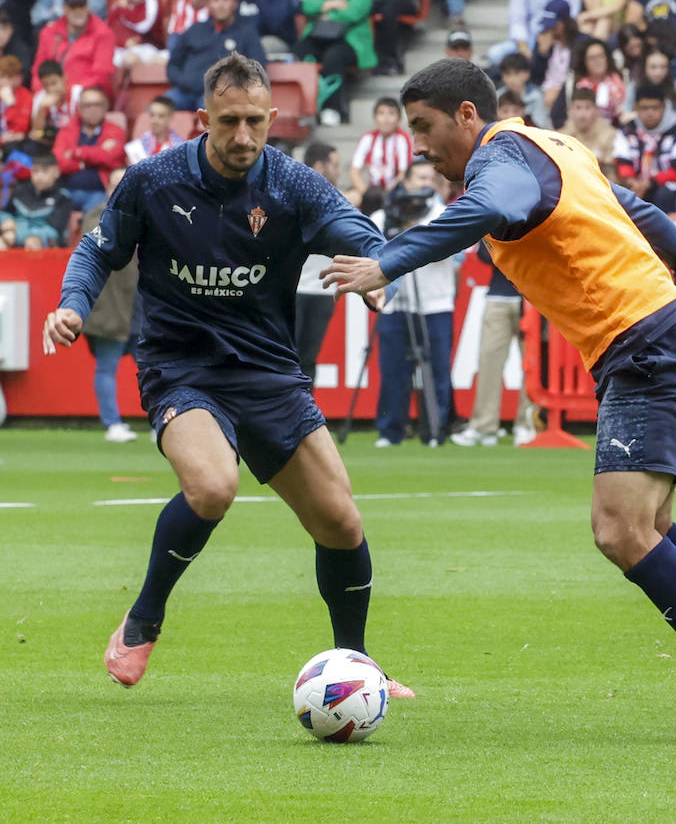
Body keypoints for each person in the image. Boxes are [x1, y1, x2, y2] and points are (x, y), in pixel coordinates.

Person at [322, 56, 676, 744]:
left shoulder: (499, 161)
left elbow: (488, 208)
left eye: (425, 128)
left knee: (619, 531)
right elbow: (640, 214)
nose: (419, 146)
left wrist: (386, 260)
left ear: (467, 115)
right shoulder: (560, 146)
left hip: (646, 342)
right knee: (649, 530)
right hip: (657, 335)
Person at [40, 53, 414, 698]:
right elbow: (97, 250)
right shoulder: (153, 181)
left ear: (273, 119)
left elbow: (352, 225)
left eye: (255, 123)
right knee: (213, 487)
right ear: (202, 118)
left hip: (267, 370)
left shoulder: (293, 185)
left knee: (341, 522)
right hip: (179, 365)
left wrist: (371, 265)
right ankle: (143, 618)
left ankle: (355, 667)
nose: (243, 137)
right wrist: (73, 303)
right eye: (229, 122)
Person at [373, 161, 455, 447]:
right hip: (395, 303)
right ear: (405, 181)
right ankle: (390, 430)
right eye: (420, 177)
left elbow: (451, 253)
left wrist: (418, 231)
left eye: (431, 178)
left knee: (437, 371)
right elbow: (371, 250)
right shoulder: (385, 215)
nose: (425, 184)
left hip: (435, 303)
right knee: (393, 370)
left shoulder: (444, 214)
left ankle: (435, 430)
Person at [449, 244, 536, 447]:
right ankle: (484, 427)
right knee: (489, 361)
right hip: (498, 295)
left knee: (531, 364)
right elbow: (484, 254)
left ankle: (527, 424)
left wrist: (507, 250)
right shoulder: (498, 217)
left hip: (533, 297)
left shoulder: (537, 212)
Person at [78, 203, 141, 443]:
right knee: (106, 368)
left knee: (154, 369)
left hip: (141, 309)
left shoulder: (148, 210)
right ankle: (112, 423)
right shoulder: (96, 216)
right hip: (110, 311)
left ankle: (163, 421)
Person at [297, 0, 376, 127]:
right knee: (299, 52)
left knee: (334, 55)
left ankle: (331, 109)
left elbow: (353, 13)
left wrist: (324, 13)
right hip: (318, 37)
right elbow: (307, 6)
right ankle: (305, 106)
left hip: (348, 41)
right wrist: (332, 5)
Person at [166, 0, 267, 112]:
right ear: (209, 4)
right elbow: (173, 64)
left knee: (209, 109)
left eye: (225, 0)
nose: (220, 5)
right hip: (185, 91)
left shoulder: (247, 32)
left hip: (222, 95)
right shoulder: (195, 30)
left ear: (235, 3)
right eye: (216, 0)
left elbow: (258, 68)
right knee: (160, 108)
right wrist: (184, 81)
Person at [295, 142, 345, 386]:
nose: (339, 172)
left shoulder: (338, 201)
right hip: (293, 290)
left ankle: (304, 418)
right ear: (319, 166)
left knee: (308, 360)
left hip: (322, 289)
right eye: (335, 166)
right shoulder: (294, 197)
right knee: (286, 358)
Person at [613, 82, 676, 211]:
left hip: (666, 190)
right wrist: (631, 181)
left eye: (655, 108)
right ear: (636, 108)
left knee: (665, 193)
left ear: (664, 108)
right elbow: (622, 162)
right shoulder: (626, 131)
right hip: (635, 186)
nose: (650, 113)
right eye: (644, 108)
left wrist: (650, 183)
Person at [30, 0, 115, 98]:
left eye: (81, 6)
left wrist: (69, 92)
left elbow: (102, 75)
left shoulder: (103, 34)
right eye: (73, 7)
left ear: (88, 5)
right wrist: (41, 91)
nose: (78, 11)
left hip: (83, 95)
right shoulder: (48, 33)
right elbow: (38, 70)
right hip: (51, 94)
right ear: (65, 8)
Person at [53, 85, 124, 213]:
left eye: (97, 105)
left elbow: (111, 159)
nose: (92, 109)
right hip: (66, 189)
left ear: (105, 107)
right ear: (79, 108)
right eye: (87, 105)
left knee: (95, 216)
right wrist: (92, 157)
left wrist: (77, 152)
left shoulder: (116, 131)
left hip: (99, 192)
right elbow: (58, 162)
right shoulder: (67, 130)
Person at [1, 150, 73, 249]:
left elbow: (56, 230)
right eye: (35, 171)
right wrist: (6, 220)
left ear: (56, 172)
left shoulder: (62, 197)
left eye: (44, 171)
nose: (39, 176)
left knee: (34, 244)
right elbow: (6, 212)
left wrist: (33, 237)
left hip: (43, 243)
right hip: (14, 236)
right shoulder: (20, 190)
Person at [348, 98, 413, 206]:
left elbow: (404, 174)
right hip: (372, 190)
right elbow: (354, 172)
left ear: (399, 119)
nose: (386, 119)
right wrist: (367, 194)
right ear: (375, 118)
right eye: (381, 113)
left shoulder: (404, 139)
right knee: (349, 198)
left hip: (396, 190)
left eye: (391, 113)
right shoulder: (367, 139)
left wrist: (387, 193)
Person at [107, 0, 167, 70]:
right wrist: (123, 42)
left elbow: (143, 26)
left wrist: (124, 10)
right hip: (121, 49)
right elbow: (109, 31)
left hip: (148, 47)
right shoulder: (118, 5)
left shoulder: (151, 1)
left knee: (130, 60)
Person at [124, 95, 186, 167]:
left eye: (161, 116)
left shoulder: (179, 148)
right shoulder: (137, 147)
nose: (154, 120)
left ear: (170, 117)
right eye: (152, 115)